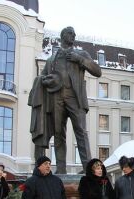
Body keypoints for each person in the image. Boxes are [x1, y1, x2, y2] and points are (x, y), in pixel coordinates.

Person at [29, 26, 102, 174]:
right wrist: (45, 80)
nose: (73, 36)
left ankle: (88, 168)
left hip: (75, 98)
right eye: (70, 33)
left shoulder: (80, 53)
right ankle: (61, 169)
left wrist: (80, 60)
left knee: (81, 132)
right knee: (58, 134)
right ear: (62, 36)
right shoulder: (51, 59)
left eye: (74, 34)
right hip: (56, 99)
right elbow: (42, 77)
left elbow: (97, 71)